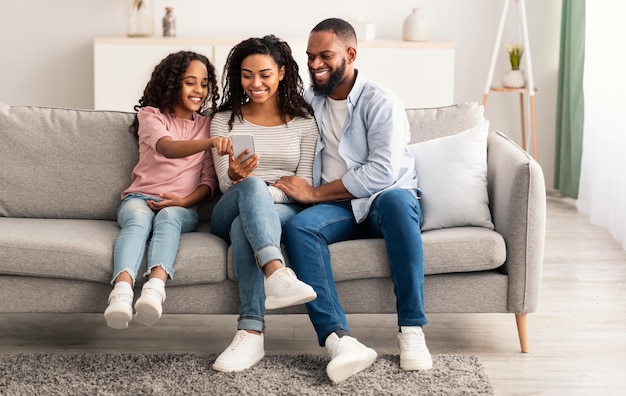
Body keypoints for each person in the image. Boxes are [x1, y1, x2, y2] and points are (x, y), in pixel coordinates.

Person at [273, 18, 433, 383]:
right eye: (310, 56)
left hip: (384, 200)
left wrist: (313, 193)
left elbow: (382, 173)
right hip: (338, 208)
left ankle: (412, 330)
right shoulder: (309, 102)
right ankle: (337, 339)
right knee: (300, 227)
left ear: (350, 54)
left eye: (325, 56)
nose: (315, 65)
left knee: (394, 202)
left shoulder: (381, 101)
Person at [209, 35, 320, 372]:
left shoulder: (305, 121)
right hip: (229, 207)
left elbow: (303, 186)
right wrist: (238, 175)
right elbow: (228, 186)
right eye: (246, 75)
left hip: (282, 208)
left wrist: (265, 192)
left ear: (282, 73)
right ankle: (276, 271)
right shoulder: (224, 120)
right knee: (249, 189)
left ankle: (251, 333)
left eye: (265, 74)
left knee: (248, 225)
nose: (255, 83)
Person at [104, 51, 230, 330]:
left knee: (168, 218)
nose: (199, 90)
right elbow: (168, 147)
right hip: (139, 198)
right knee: (137, 220)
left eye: (204, 83)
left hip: (180, 206)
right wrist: (209, 142)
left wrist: (183, 201)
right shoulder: (151, 116)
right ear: (172, 83)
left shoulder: (207, 125)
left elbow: (209, 183)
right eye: (190, 82)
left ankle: (154, 289)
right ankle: (121, 294)